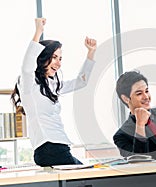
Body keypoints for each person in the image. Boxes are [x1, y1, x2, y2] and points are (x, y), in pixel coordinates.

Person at [10, 18, 97, 166]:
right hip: (49, 148)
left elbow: (81, 82)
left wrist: (91, 52)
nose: (59, 63)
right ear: (42, 57)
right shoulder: (28, 85)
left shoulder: (52, 85)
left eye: (60, 59)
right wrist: (38, 32)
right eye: (54, 57)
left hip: (59, 148)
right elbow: (27, 67)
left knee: (86, 177)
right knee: (86, 179)